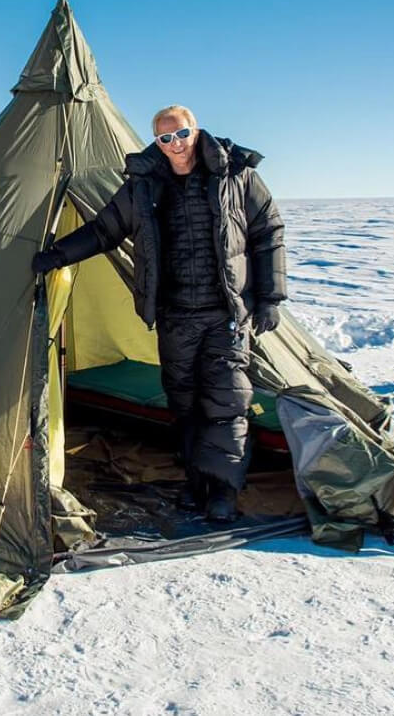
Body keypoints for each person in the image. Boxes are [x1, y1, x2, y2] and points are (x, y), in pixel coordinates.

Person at [31, 105, 287, 523]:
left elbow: (268, 231)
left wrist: (271, 297)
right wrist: (57, 255)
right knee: (184, 405)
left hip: (225, 314)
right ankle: (196, 482)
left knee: (226, 403)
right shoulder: (144, 185)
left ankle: (223, 490)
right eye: (165, 138)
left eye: (181, 133)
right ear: (156, 142)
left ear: (195, 129)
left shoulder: (237, 174)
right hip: (175, 317)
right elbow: (104, 230)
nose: (175, 144)